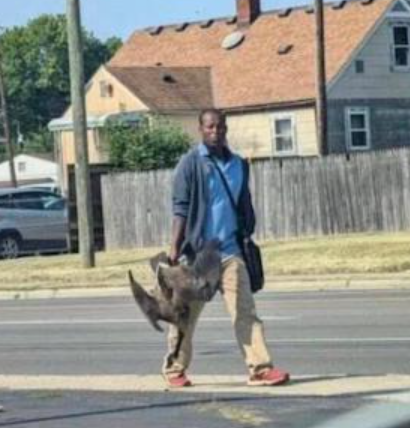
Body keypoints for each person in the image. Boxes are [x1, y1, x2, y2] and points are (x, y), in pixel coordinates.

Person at [164, 108, 290, 388]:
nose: (215, 132)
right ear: (200, 129)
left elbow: (243, 203)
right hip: (198, 256)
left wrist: (247, 232)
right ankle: (175, 370)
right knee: (185, 316)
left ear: (226, 129)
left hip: (231, 252)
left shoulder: (238, 165)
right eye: (209, 127)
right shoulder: (190, 163)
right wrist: (174, 245)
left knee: (245, 311)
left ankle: (260, 368)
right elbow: (180, 207)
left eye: (220, 127)